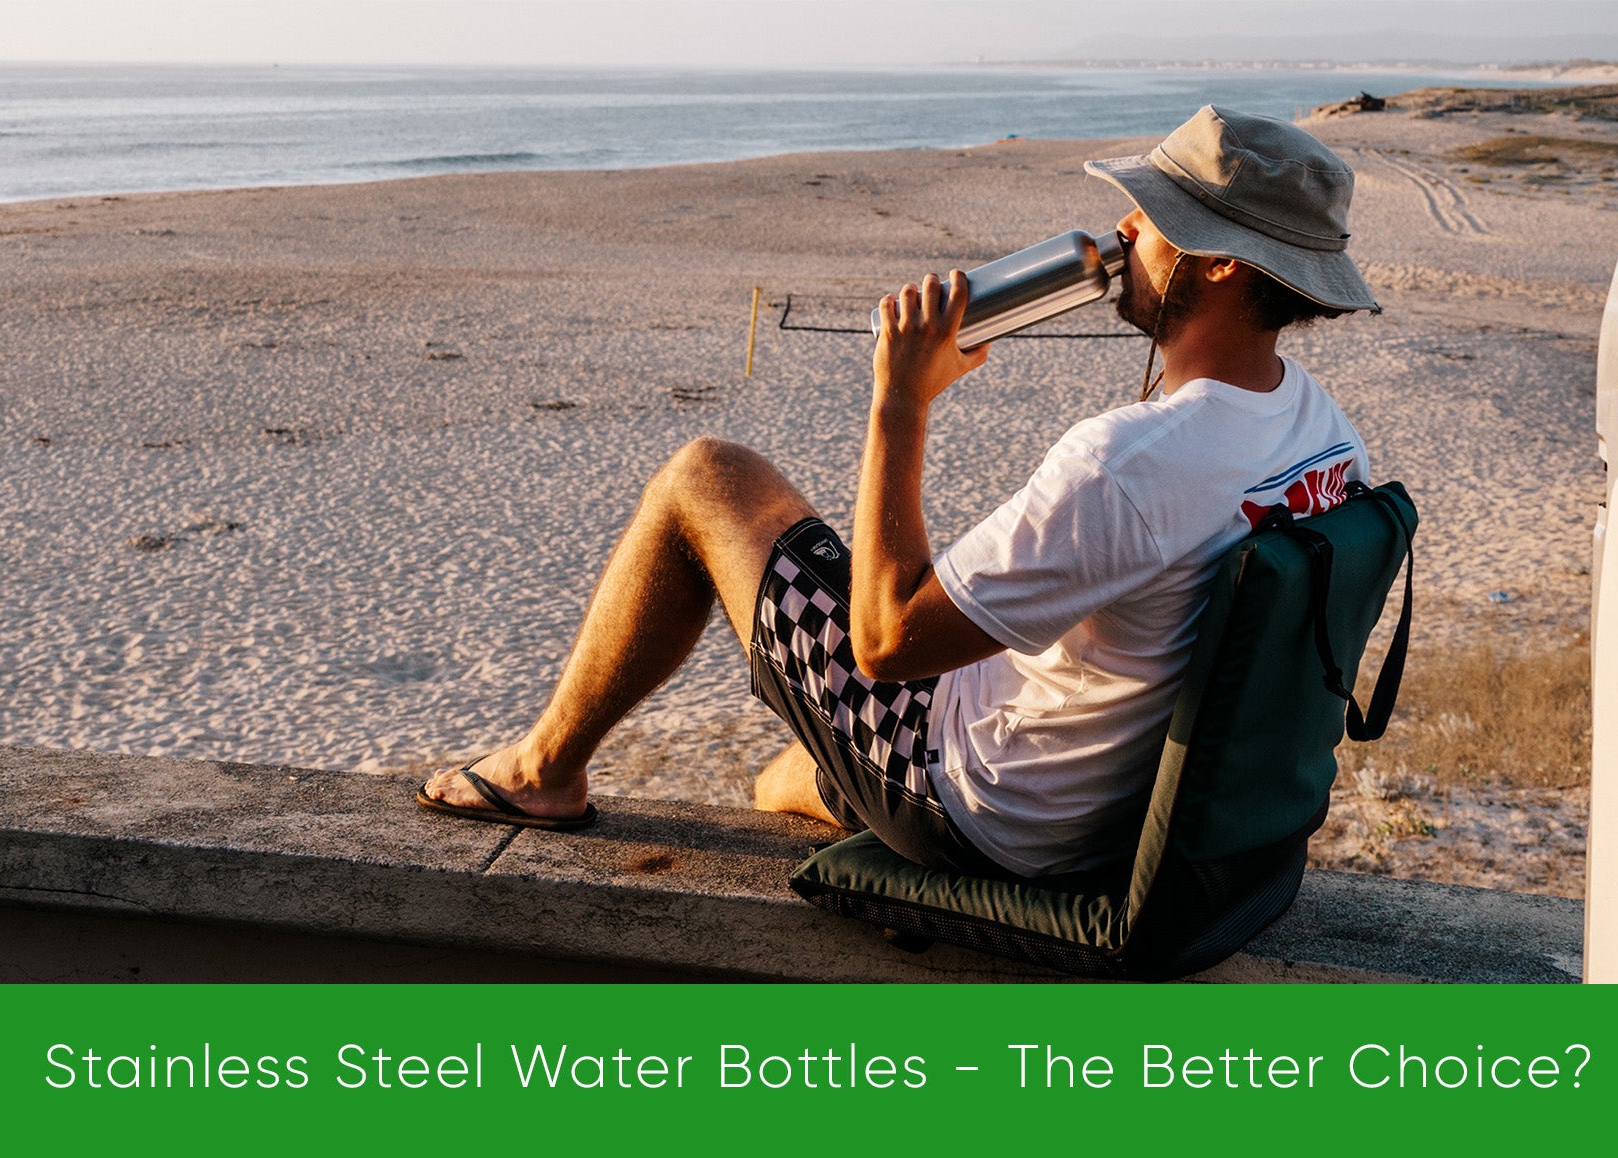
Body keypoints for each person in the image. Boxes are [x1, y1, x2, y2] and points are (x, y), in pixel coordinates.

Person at [417, 106, 1381, 878]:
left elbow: (884, 646)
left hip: (1005, 812)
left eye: (1155, 215)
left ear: (1217, 261)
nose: (1126, 227)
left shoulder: (1125, 463)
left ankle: (543, 773)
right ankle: (837, 790)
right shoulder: (1328, 435)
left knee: (709, 477)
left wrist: (899, 402)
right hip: (1120, 805)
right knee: (775, 783)